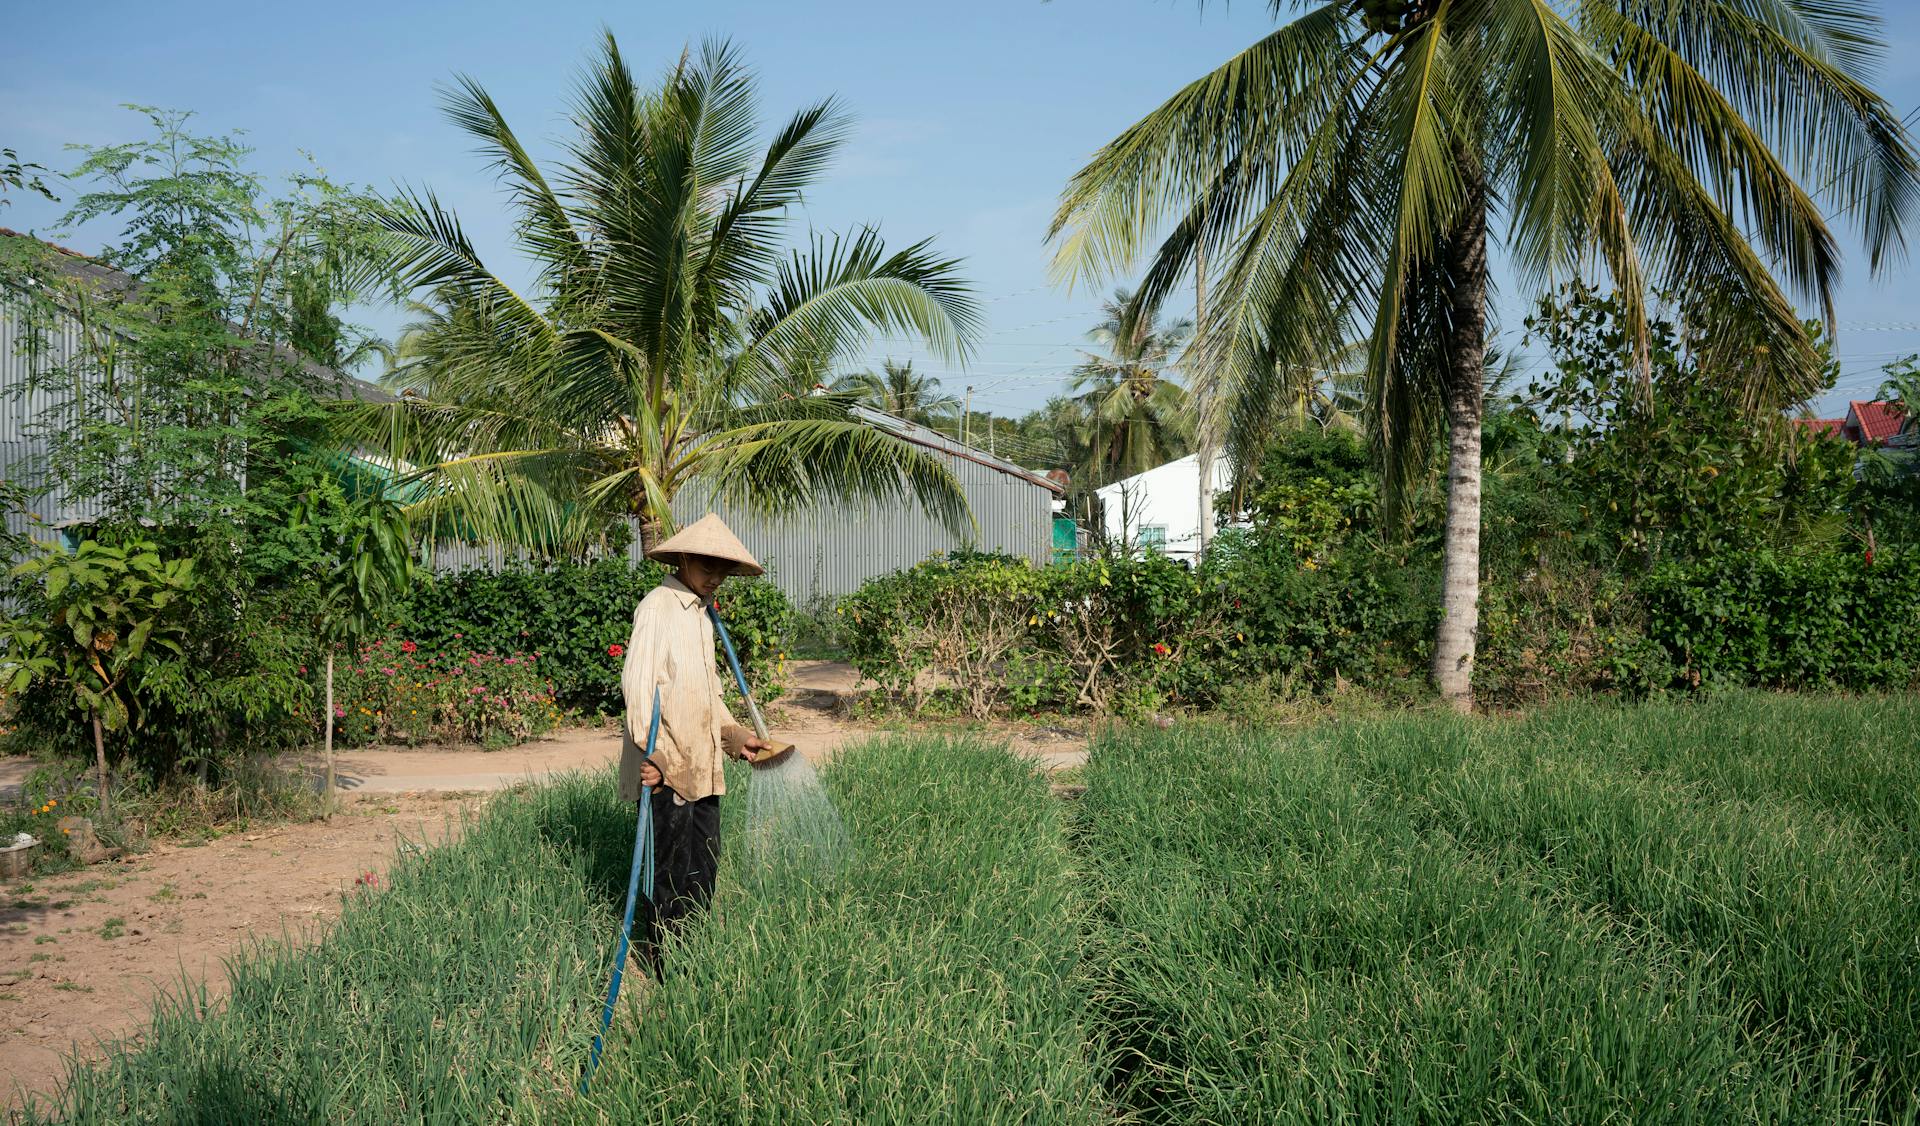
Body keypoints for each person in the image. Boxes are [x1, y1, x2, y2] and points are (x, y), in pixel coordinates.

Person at [619, 513, 771, 955]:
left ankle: (695, 953)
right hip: (669, 769)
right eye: (708, 569)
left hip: (704, 764)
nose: (716, 579)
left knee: (704, 865)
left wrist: (735, 736)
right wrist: (658, 758)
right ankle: (666, 959)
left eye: (723, 572)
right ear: (683, 559)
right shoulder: (658, 608)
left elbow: (709, 694)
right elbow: (639, 689)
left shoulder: (703, 616)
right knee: (670, 870)